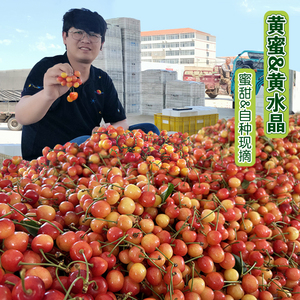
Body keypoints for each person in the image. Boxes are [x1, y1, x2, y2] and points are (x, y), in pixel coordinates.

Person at [15, 8, 159, 161]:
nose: (85, 39)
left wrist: (108, 132)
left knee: (149, 129)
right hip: (49, 158)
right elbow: (22, 117)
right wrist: (47, 95)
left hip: (87, 154)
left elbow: (119, 121)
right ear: (64, 37)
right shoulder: (49, 69)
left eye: (93, 35)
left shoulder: (102, 80)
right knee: (83, 140)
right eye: (78, 33)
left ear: (102, 43)